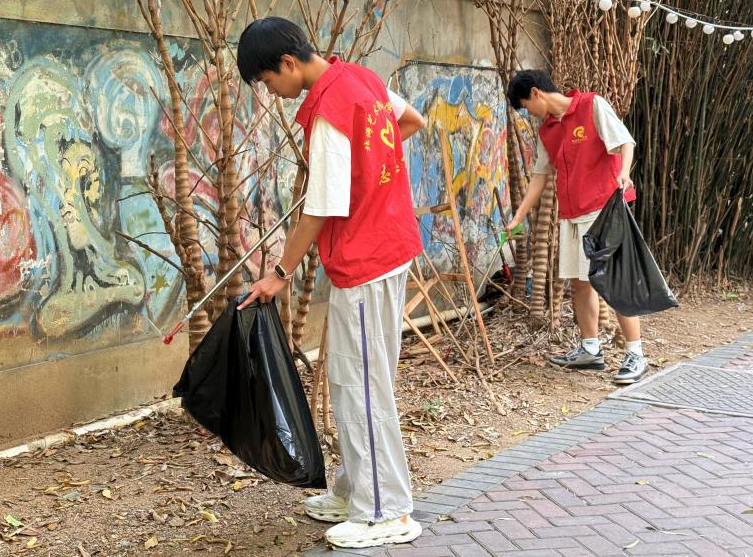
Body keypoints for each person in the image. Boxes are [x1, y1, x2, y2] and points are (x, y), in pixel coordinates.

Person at [235, 17, 426, 549]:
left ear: (288, 64)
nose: (272, 92)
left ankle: (386, 511)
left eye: (268, 81)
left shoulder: (328, 109)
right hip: (389, 250)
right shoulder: (361, 78)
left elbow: (320, 210)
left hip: (365, 262)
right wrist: (365, 170)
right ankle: (355, 490)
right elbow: (412, 119)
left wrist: (278, 274)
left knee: (361, 387)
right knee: (357, 380)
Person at [505, 69, 648, 385]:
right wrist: (518, 217)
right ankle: (590, 349)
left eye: (527, 106)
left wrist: (624, 173)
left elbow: (625, 141)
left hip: (603, 209)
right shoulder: (548, 130)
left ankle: (636, 354)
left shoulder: (591, 105)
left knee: (614, 282)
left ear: (536, 94)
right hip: (570, 214)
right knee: (580, 283)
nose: (529, 113)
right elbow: (540, 176)